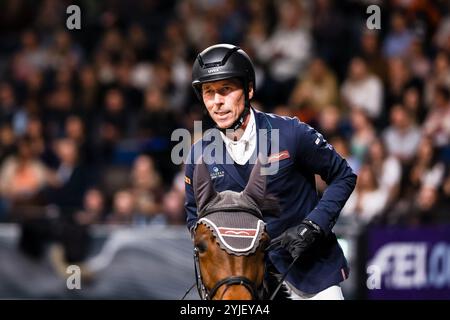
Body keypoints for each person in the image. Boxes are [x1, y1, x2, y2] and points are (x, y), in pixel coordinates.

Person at [184, 44, 357, 300]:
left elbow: (344, 176)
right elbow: (195, 218)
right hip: (244, 282)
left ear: (249, 89)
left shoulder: (292, 134)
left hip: (309, 274)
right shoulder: (199, 155)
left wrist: (314, 225)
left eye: (226, 90)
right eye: (209, 93)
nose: (217, 102)